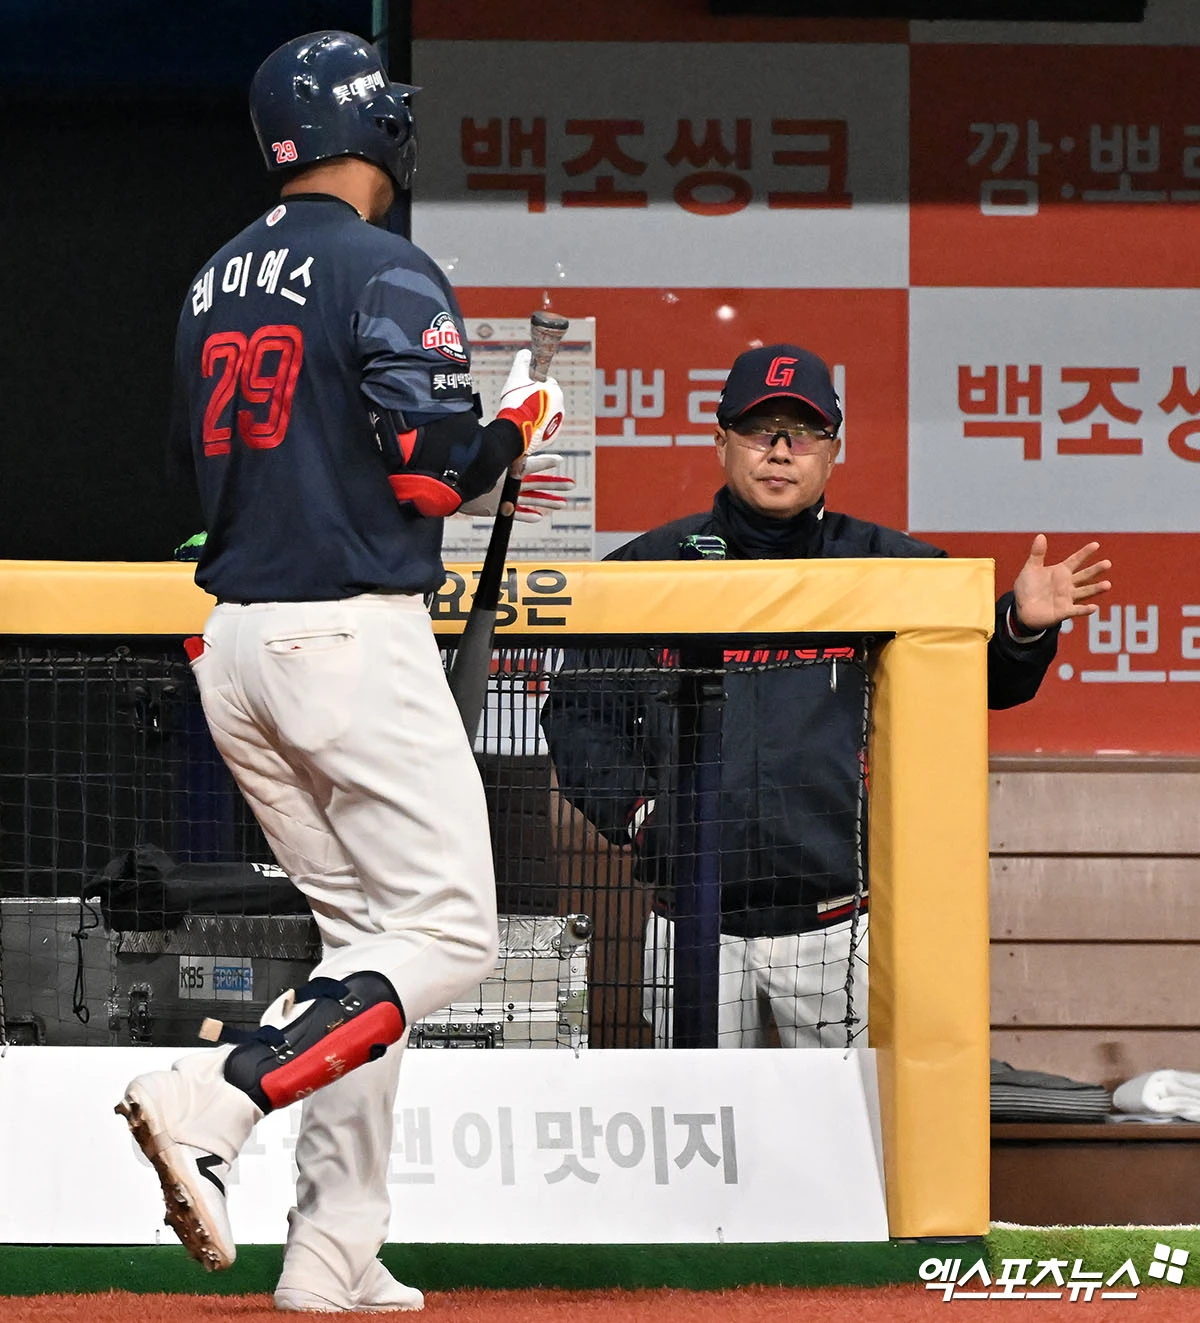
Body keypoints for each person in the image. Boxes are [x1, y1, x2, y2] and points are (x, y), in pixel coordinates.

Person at [114, 31, 566, 1312]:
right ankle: (214, 1101)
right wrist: (516, 427)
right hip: (345, 639)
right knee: (450, 933)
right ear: (372, 128)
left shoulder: (214, 277)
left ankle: (332, 1248)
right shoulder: (385, 265)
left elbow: (201, 470)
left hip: (235, 646)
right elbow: (432, 472)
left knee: (367, 946)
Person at [540, 344, 1111, 1051]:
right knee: (699, 1120)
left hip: (837, 925)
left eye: (804, 433)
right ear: (720, 442)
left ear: (834, 452)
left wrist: (1021, 626)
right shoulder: (648, 567)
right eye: (759, 430)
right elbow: (577, 712)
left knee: (854, 1117)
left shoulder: (892, 568)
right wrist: (640, 813)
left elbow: (981, 682)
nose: (780, 451)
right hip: (692, 920)